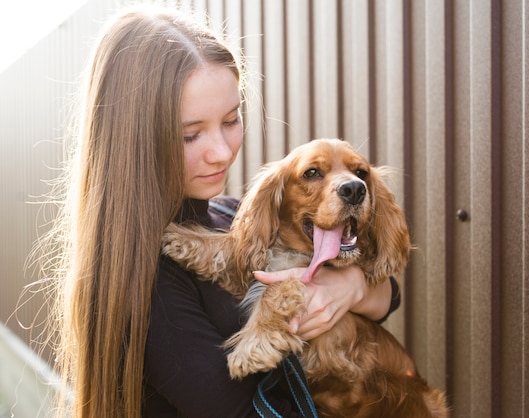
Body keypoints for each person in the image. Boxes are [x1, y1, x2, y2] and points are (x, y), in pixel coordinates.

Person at [39, 5, 401, 418]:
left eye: (231, 120)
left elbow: (389, 296)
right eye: (191, 134)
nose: (222, 152)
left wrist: (349, 288)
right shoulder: (146, 277)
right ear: (133, 140)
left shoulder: (234, 216)